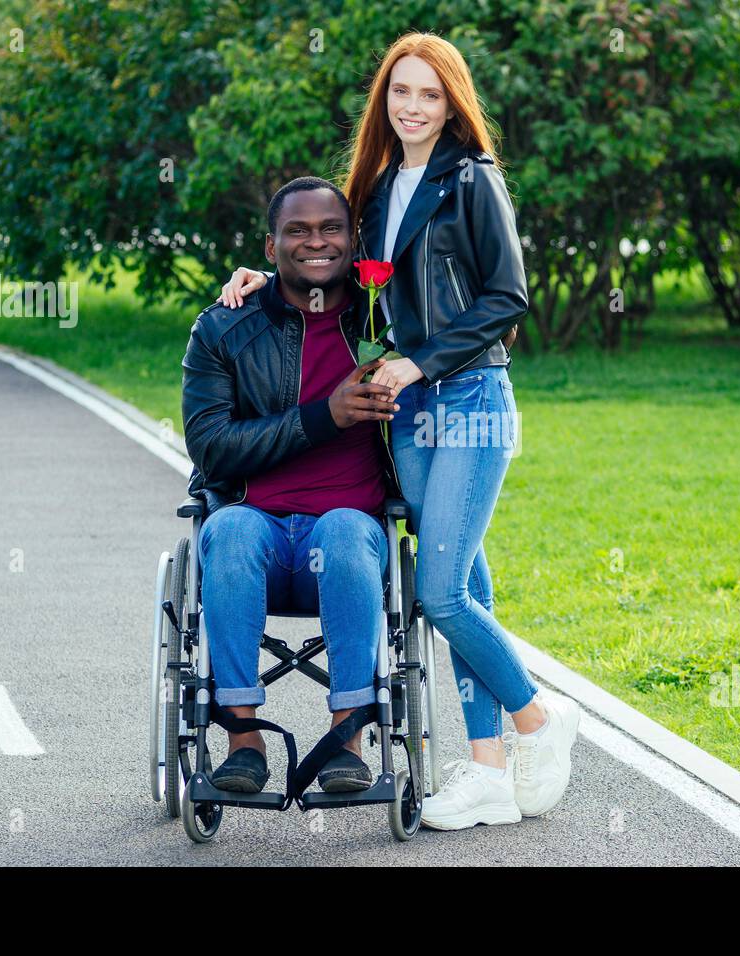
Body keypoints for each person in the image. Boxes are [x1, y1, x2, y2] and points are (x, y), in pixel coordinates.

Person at [218, 33, 580, 831]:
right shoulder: (379, 189)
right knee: (468, 580)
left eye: (430, 95)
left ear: (453, 103)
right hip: (410, 413)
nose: (413, 107)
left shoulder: (473, 180)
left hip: (472, 396)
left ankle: (537, 721)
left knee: (438, 591)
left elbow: (507, 296)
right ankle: (487, 770)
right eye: (400, 93)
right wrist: (260, 274)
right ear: (384, 103)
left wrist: (417, 362)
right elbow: (336, 263)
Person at [182, 176, 403, 795]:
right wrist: (322, 417)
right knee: (225, 530)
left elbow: (479, 329)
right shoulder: (225, 329)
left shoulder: (384, 318)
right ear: (271, 242)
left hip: (348, 536)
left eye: (331, 228)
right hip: (260, 534)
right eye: (296, 231)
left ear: (353, 238)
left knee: (343, 531)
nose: (316, 242)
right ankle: (243, 741)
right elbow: (212, 447)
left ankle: (347, 738)